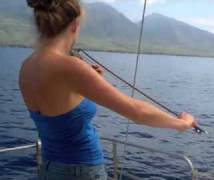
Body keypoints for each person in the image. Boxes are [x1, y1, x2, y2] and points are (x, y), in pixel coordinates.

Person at [19, 0, 197, 179]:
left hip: (50, 169)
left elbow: (57, 108)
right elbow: (137, 112)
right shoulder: (71, 67)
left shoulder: (27, 67)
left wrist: (85, 81)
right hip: (81, 171)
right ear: (74, 26)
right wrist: (181, 123)